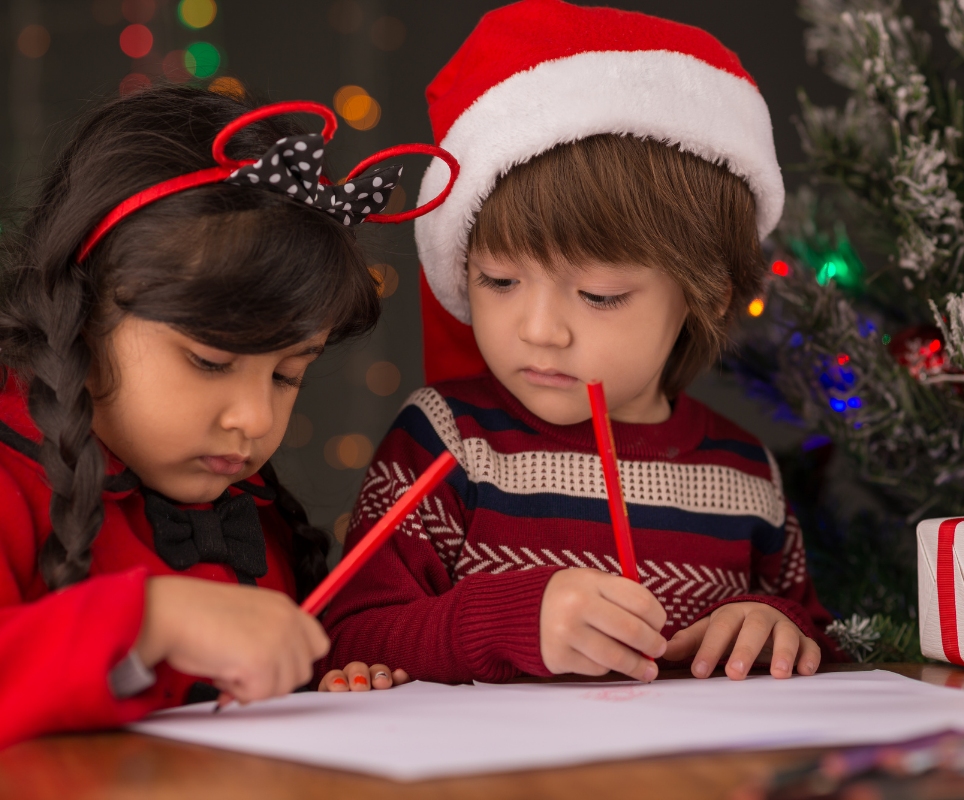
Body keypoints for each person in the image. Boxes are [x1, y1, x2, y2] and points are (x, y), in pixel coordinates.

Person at [316, 0, 845, 692]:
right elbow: (344, 636)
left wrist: (771, 623)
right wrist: (509, 623)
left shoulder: (745, 474)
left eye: (598, 295)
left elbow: (812, 631)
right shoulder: (445, 444)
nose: (540, 329)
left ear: (711, 291)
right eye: (499, 280)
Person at [0, 83, 425, 747]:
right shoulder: (10, 480)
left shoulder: (251, 508)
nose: (255, 419)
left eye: (289, 376)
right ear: (84, 317)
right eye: (209, 361)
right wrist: (152, 619)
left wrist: (328, 675)